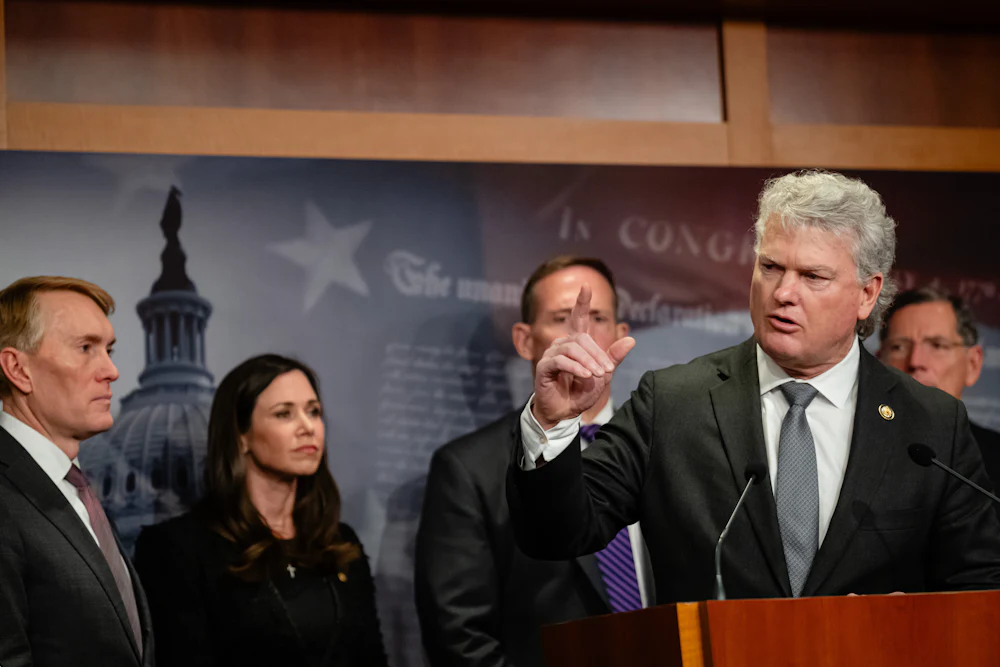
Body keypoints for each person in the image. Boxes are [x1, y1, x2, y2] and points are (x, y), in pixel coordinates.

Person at [507, 170, 1000, 604]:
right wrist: (553, 422)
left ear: (867, 294)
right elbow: (557, 536)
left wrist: (913, 620)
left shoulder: (930, 424)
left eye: (812, 276)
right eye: (770, 268)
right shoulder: (674, 403)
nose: (784, 293)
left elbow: (981, 584)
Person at [416, 256, 654, 667]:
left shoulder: (658, 445)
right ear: (525, 340)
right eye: (564, 318)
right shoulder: (468, 469)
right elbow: (458, 634)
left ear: (620, 333)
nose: (582, 334)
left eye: (597, 317)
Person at [134, 354, 388, 667]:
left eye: (314, 411)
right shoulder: (178, 549)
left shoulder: (340, 542)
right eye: (284, 414)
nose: (307, 427)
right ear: (241, 436)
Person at [0, 276, 153, 667]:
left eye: (109, 349)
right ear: (18, 369)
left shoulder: (75, 486)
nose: (112, 371)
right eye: (86, 348)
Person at [879, 287, 1000, 492]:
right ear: (877, 363)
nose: (916, 361)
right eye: (898, 347)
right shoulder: (852, 447)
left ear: (972, 364)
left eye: (937, 345)